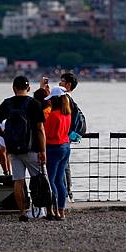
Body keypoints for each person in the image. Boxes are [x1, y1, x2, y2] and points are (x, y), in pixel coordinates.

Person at [0, 76, 47, 222]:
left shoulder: (7, 103)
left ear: (13, 88)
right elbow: (40, 129)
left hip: (13, 150)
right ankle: (40, 209)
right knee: (38, 178)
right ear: (28, 88)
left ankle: (22, 212)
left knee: (18, 180)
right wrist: (42, 150)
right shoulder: (34, 103)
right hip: (32, 148)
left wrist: (4, 136)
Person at [43, 86, 72, 220]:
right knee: (60, 181)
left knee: (52, 180)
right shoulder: (67, 114)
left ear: (54, 100)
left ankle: (54, 210)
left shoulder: (53, 115)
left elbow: (46, 134)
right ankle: (62, 210)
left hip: (53, 148)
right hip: (65, 147)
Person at [59, 72, 81, 203]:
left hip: (62, 137)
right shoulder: (69, 99)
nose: (59, 83)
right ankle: (68, 193)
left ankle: (66, 194)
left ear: (68, 84)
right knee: (65, 165)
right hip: (67, 137)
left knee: (63, 166)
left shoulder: (65, 99)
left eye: (62, 81)